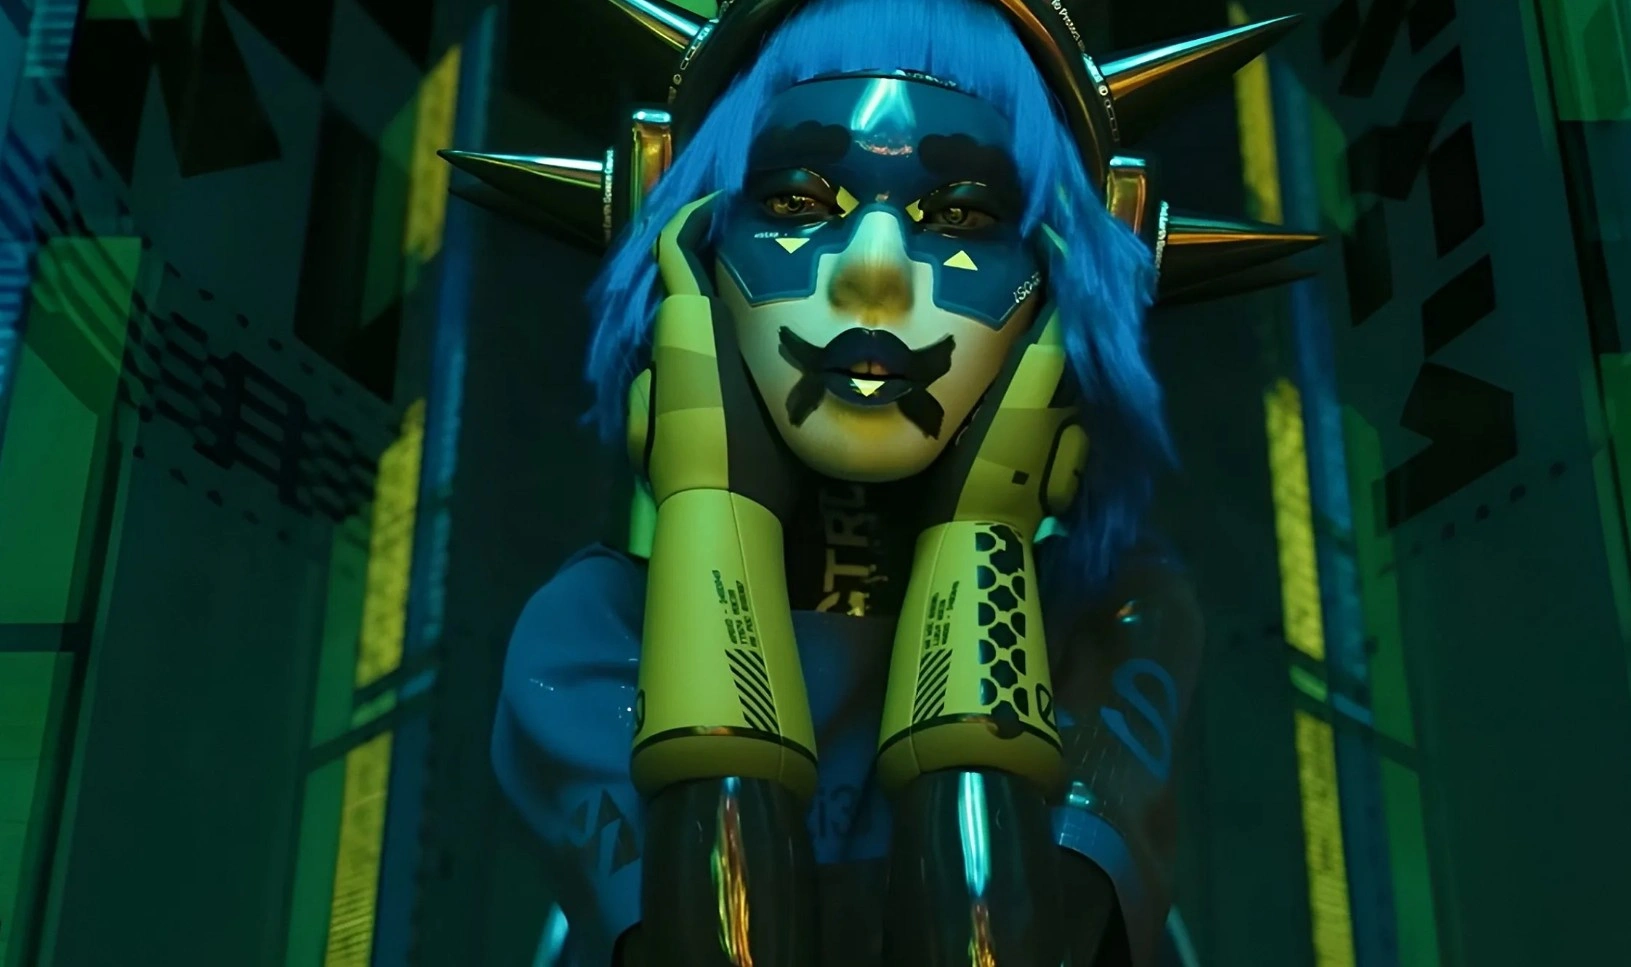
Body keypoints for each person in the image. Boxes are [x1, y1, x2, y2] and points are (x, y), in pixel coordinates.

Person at [457, 1, 1314, 963]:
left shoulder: (1112, 615)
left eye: (960, 215)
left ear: (1060, 290)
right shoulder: (589, 633)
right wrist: (710, 514)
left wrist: (980, 540)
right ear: (692, 260)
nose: (873, 271)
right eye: (795, 202)